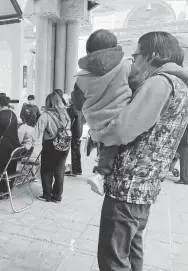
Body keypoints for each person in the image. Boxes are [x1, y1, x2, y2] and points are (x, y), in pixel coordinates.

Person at [93, 31, 188, 271]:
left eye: (135, 56)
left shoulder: (160, 82)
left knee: (113, 258)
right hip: (145, 186)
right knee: (131, 249)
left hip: (128, 185)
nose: (133, 63)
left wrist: (99, 134)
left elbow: (124, 129)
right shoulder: (181, 85)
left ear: (152, 55)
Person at [71, 29, 132, 195]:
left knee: (106, 143)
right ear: (115, 48)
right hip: (119, 117)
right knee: (113, 143)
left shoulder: (81, 77)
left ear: (88, 52)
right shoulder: (126, 66)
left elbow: (77, 102)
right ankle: (100, 174)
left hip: (96, 121)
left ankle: (100, 169)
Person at [36, 92, 71, 203]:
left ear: (48, 102)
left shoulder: (45, 115)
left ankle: (47, 195)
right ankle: (57, 197)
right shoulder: (65, 114)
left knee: (46, 170)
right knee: (60, 170)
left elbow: (37, 132)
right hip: (64, 145)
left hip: (50, 145)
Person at [67, 100, 84, 175]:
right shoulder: (80, 108)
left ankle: (73, 170)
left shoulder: (72, 108)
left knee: (73, 151)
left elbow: (71, 120)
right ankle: (78, 169)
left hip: (74, 131)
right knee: (77, 151)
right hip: (80, 131)